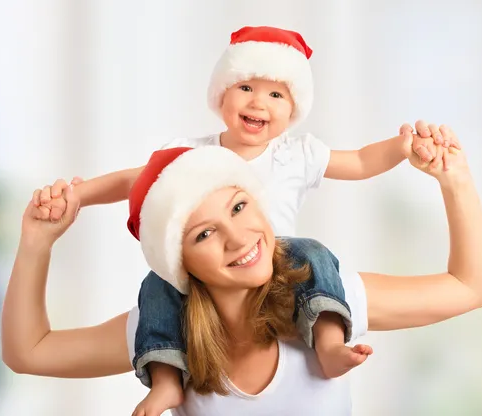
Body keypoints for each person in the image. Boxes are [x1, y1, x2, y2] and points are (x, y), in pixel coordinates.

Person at [31, 25, 454, 411]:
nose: (258, 102)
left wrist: (403, 148)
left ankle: (328, 341)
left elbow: (361, 161)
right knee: (158, 286)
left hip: (280, 264)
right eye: (246, 86)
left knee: (315, 256)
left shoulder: (297, 153)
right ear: (221, 95)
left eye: (276, 94)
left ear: (293, 111)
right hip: (213, 279)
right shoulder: (191, 154)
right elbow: (132, 180)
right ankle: (163, 379)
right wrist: (77, 195)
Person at [2, 127, 482, 415]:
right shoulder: (164, 330)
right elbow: (30, 352)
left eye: (239, 207)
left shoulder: (323, 293)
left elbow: (469, 287)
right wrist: (36, 245)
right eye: (204, 234)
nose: (239, 238)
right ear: (179, 262)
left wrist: (456, 181)